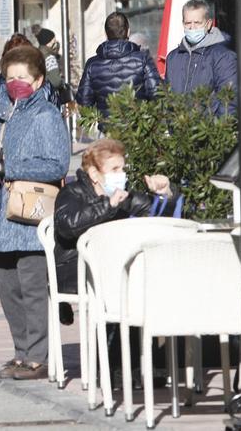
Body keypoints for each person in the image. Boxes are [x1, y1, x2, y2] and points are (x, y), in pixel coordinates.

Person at [0, 46, 72, 380]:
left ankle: (37, 356)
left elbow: (58, 164)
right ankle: (21, 352)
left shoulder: (46, 115)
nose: (16, 82)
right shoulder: (4, 115)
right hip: (2, 221)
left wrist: (13, 167)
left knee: (32, 290)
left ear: (39, 79)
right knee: (8, 290)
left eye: (22, 77)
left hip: (31, 220)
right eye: (10, 77)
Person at [52, 138, 180, 366]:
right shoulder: (72, 192)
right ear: (94, 173)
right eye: (114, 169)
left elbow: (161, 214)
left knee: (146, 283)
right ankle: (119, 365)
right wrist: (108, 206)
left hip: (114, 272)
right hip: (77, 270)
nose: (121, 175)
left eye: (123, 169)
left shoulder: (121, 194)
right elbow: (68, 224)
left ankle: (144, 365)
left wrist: (165, 195)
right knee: (124, 286)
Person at [76, 12, 162, 118]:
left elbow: (84, 104)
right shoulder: (143, 59)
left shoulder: (92, 64)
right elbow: (157, 95)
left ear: (106, 33)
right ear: (128, 31)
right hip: (139, 128)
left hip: (108, 130)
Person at [164, 0, 237, 115]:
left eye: (197, 23)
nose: (192, 28)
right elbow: (167, 98)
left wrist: (213, 130)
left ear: (208, 24)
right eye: (188, 23)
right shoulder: (173, 58)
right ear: (183, 24)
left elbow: (229, 102)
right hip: (179, 130)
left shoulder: (224, 57)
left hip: (209, 131)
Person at [35, 28, 69, 100]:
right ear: (49, 41)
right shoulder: (49, 58)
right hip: (50, 95)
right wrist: (62, 83)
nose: (56, 42)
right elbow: (56, 81)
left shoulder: (37, 54)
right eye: (54, 39)